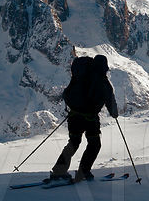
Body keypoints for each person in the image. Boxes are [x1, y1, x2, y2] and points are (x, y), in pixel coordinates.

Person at [49, 54, 118, 183]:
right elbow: (110, 101)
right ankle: (84, 172)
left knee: (74, 142)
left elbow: (68, 92)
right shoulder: (103, 81)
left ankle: (58, 172)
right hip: (90, 119)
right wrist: (114, 114)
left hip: (74, 116)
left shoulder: (80, 75)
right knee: (94, 144)